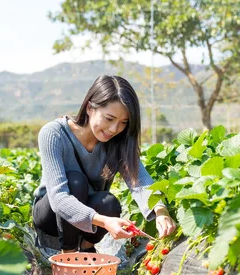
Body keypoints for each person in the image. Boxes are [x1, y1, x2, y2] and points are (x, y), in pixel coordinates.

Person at [32, 75, 177, 253]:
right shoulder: (54, 133)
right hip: (51, 217)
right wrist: (104, 221)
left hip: (89, 221)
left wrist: (161, 210)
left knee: (109, 203)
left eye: (123, 123)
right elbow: (58, 199)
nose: (114, 129)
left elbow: (139, 180)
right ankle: (68, 255)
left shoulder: (118, 142)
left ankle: (87, 248)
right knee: (75, 181)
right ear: (90, 108)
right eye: (109, 119)